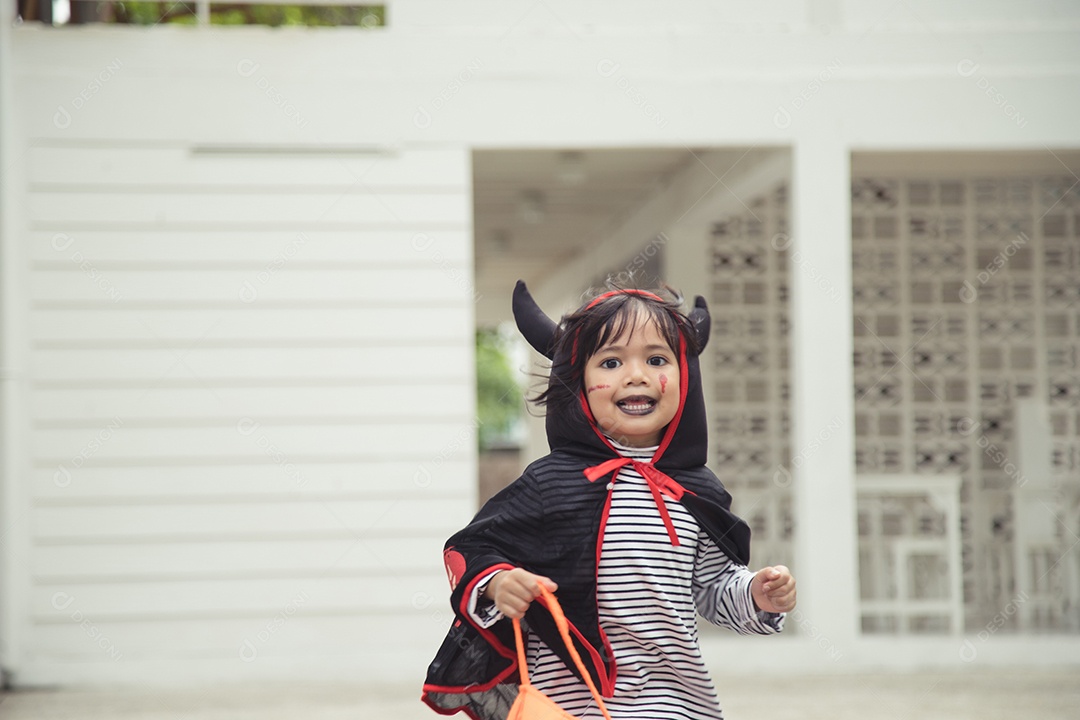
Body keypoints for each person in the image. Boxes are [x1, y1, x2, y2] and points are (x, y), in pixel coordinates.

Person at [422, 281, 796, 720]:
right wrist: (499, 582)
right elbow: (470, 549)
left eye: (656, 359)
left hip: (676, 704)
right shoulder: (550, 483)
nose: (635, 375)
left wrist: (756, 594)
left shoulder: (698, 490)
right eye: (611, 362)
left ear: (685, 377)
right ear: (578, 382)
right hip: (573, 703)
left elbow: (713, 588)